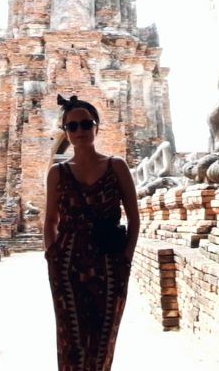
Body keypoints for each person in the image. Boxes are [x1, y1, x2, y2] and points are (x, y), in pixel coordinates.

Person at [43, 94, 140, 371]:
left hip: (109, 260)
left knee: (103, 335)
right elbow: (50, 220)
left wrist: (125, 258)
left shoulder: (116, 166)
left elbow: (134, 217)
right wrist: (53, 256)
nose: (80, 131)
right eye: (72, 127)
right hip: (67, 263)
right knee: (70, 337)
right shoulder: (57, 173)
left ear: (96, 127)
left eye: (85, 124)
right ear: (65, 132)